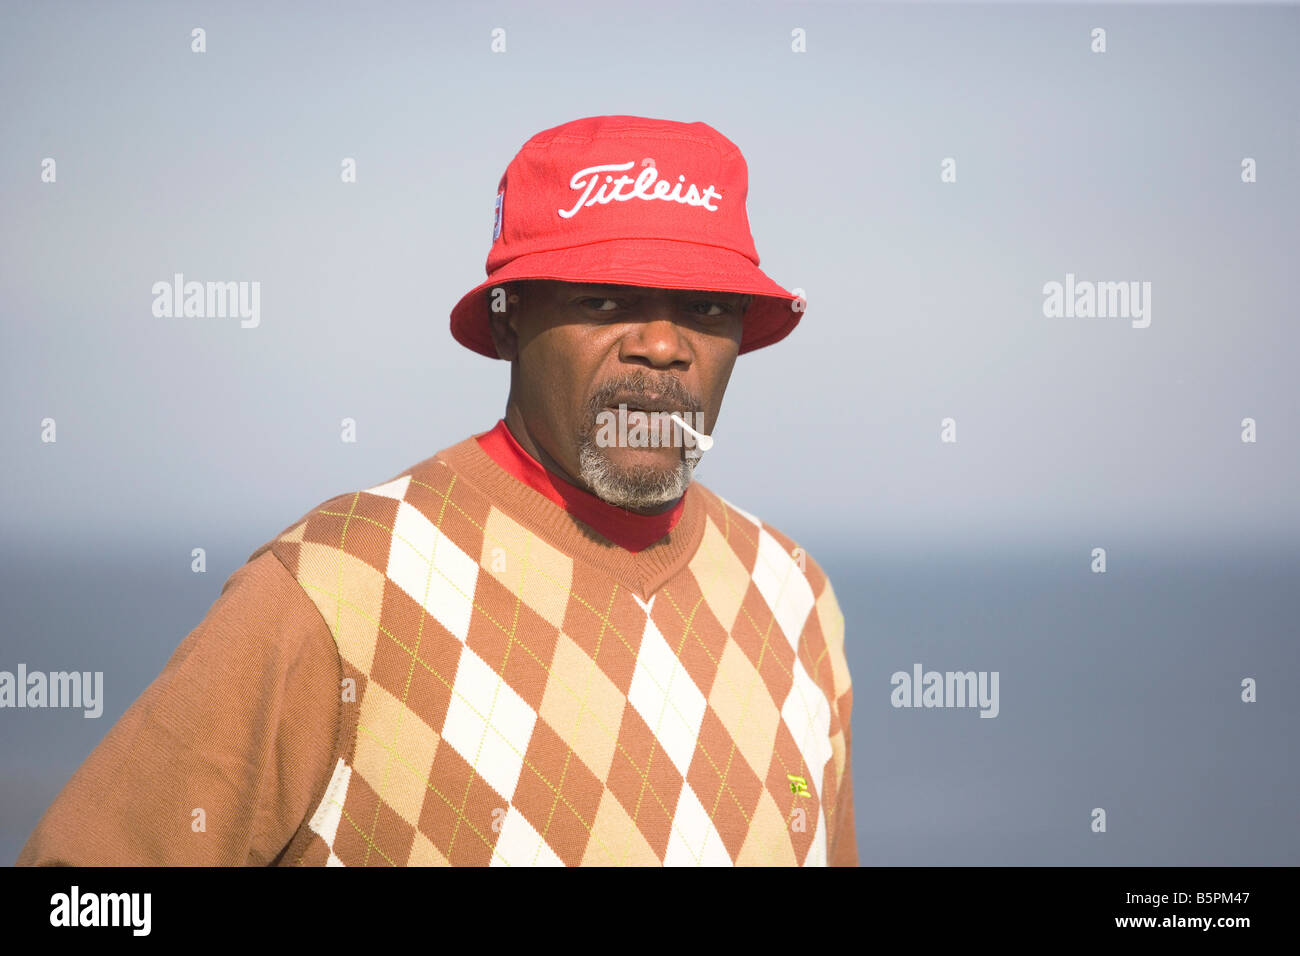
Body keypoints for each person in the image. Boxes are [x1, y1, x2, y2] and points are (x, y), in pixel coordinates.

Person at [17, 114, 856, 866]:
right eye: (605, 298)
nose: (664, 346)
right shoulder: (339, 586)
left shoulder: (794, 599)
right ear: (506, 316)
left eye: (708, 308)